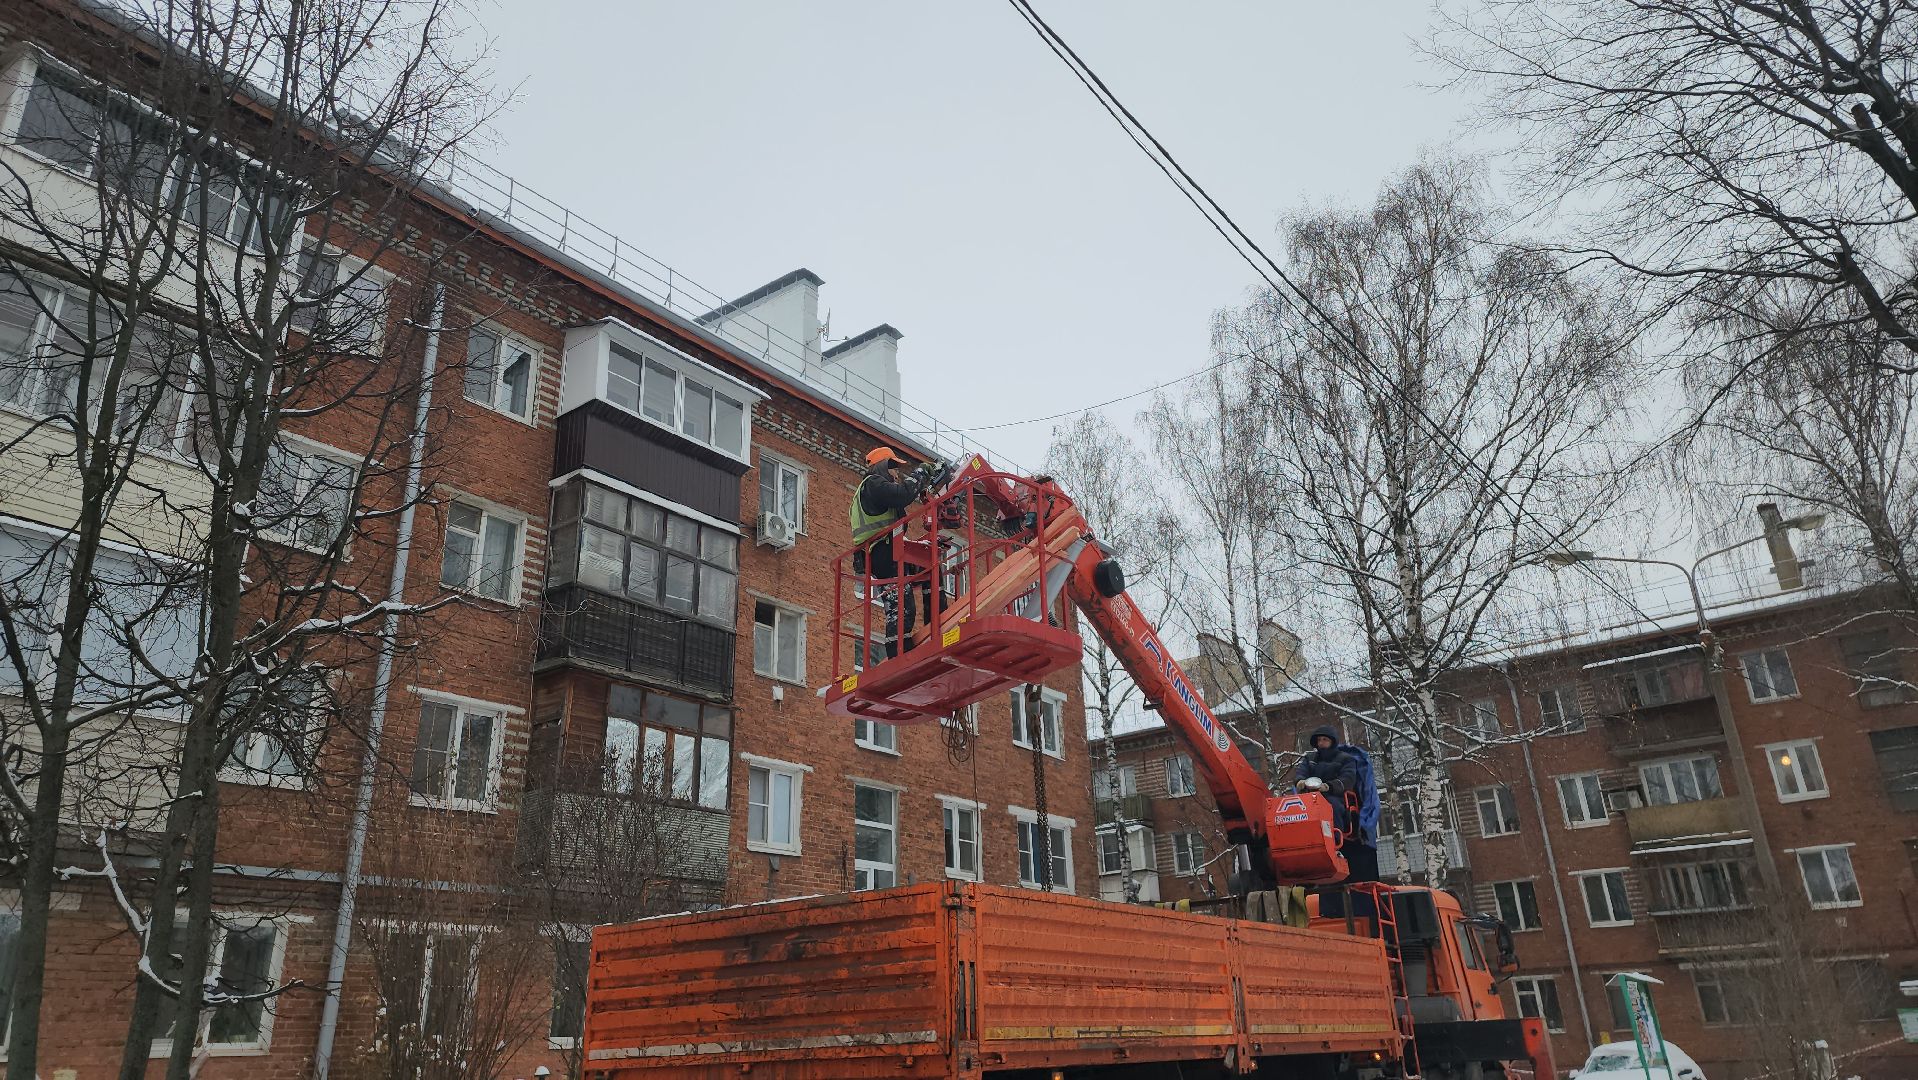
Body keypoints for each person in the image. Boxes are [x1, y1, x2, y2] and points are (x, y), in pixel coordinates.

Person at [849, 446, 930, 657]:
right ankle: (897, 653)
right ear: (883, 467)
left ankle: (935, 623)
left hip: (883, 551)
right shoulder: (873, 484)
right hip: (882, 552)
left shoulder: (871, 491)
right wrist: (920, 474)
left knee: (929, 565)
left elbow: (899, 508)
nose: (896, 474)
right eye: (894, 469)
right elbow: (901, 495)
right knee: (901, 604)